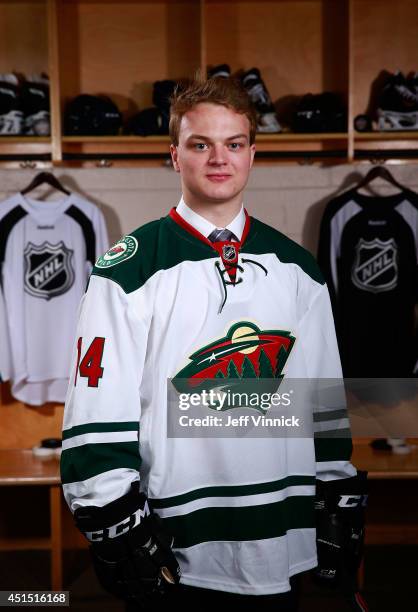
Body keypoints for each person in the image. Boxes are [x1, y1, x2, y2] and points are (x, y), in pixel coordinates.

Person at [61, 76, 367, 611]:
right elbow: (97, 405)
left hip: (281, 540)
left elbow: (321, 401)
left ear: (253, 153)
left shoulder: (298, 269)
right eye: (200, 144)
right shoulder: (129, 268)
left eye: (233, 144)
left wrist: (333, 491)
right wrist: (112, 518)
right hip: (178, 548)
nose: (218, 159)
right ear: (175, 156)